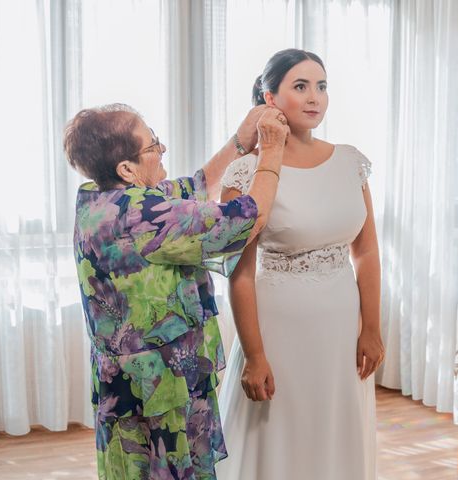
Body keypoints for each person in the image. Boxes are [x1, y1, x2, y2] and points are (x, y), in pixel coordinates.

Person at [64, 102, 289, 479]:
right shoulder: (143, 215)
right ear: (127, 169)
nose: (162, 150)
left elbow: (196, 186)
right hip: (160, 384)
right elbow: (250, 217)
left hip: (123, 379)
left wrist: (239, 141)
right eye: (153, 146)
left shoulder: (98, 198)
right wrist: (272, 150)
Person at [217, 49, 385, 480]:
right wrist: (254, 356)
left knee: (334, 430)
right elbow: (241, 272)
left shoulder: (350, 163)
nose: (315, 97)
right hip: (279, 330)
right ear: (270, 99)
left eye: (322, 86)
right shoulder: (245, 173)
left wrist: (371, 327)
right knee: (278, 436)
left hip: (340, 330)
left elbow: (365, 251)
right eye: (300, 86)